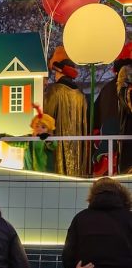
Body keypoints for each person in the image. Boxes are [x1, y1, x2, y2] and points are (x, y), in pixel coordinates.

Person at [62, 177, 132, 268]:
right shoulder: (129, 218)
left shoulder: (80, 218)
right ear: (122, 194)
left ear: (92, 195)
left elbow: (68, 260)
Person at [44, 46, 89, 176]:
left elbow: (46, 120)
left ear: (59, 72)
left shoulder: (55, 91)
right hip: (78, 150)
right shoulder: (81, 95)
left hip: (58, 148)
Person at [92, 42, 132, 174]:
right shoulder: (125, 89)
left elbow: (94, 117)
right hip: (122, 142)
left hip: (109, 146)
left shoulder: (107, 89)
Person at [4, 104, 57, 172]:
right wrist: (4, 136)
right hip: (28, 172)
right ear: (33, 127)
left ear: (48, 129)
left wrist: (47, 139)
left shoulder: (48, 139)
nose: (39, 129)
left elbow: (53, 145)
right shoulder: (28, 138)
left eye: (43, 127)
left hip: (45, 172)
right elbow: (16, 141)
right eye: (37, 126)